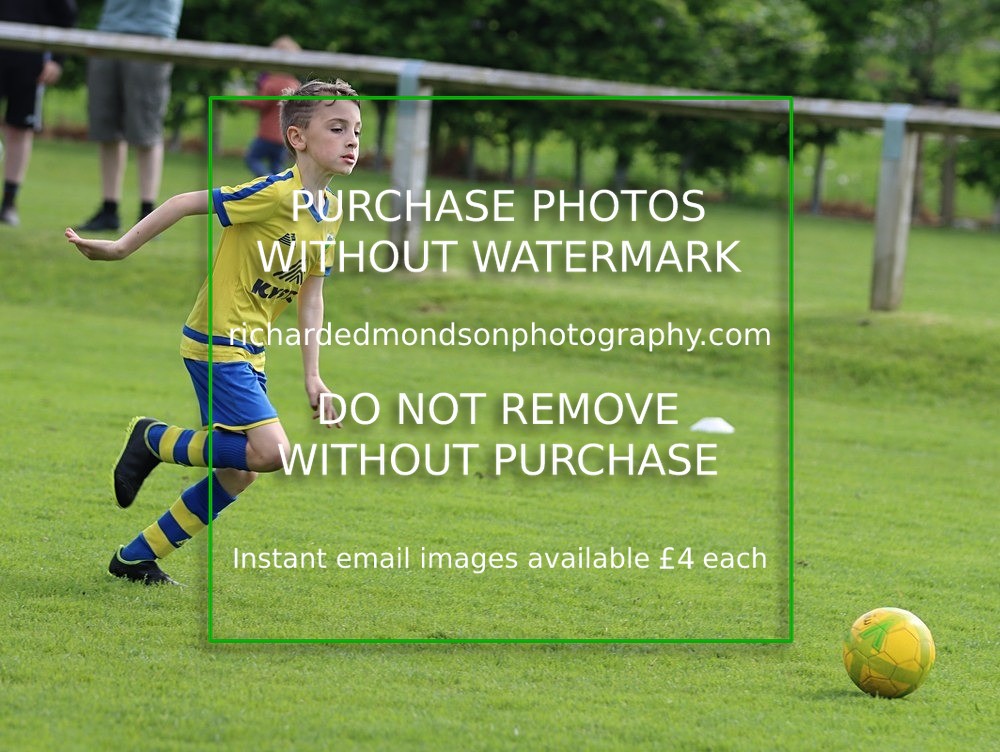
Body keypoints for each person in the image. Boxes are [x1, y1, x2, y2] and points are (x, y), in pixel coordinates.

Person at [66, 79, 361, 585]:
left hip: (251, 350)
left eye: (356, 130)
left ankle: (136, 557)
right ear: (297, 137)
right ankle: (153, 440)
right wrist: (118, 249)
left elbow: (312, 296)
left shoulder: (331, 212)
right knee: (273, 452)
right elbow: (184, 202)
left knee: (238, 472)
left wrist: (313, 376)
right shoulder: (273, 193)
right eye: (337, 128)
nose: (352, 140)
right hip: (217, 341)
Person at [78, 0, 183, 232]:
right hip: (108, 33)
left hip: (153, 35)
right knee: (106, 130)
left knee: (147, 131)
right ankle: (109, 210)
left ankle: (148, 213)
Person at [0, 0, 78, 226]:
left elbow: (67, 18)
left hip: (30, 61)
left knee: (20, 129)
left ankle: (8, 203)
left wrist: (57, 60)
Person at [240, 36, 302, 177]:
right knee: (277, 167)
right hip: (285, 137)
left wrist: (243, 98)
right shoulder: (295, 84)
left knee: (252, 158)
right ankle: (277, 186)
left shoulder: (272, 83)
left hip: (267, 135)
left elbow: (260, 103)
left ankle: (267, 179)